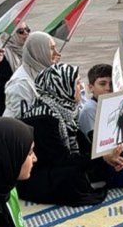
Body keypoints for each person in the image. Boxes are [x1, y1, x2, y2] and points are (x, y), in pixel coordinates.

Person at [16, 63, 106, 206]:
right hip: (36, 176)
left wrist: (104, 156)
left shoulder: (66, 110)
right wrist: (99, 157)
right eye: (76, 83)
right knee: (72, 175)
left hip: (57, 165)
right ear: (62, 87)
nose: (81, 87)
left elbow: (82, 144)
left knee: (106, 165)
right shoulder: (43, 118)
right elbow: (61, 160)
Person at [4, 31, 59, 119]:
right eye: (52, 48)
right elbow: (23, 118)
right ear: (39, 51)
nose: (57, 53)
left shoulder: (45, 73)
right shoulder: (20, 84)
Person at [0, 21, 30, 118]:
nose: (26, 33)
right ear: (10, 36)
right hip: (4, 109)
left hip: (23, 106)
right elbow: (0, 88)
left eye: (27, 29)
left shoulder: (27, 52)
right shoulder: (1, 57)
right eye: (20, 31)